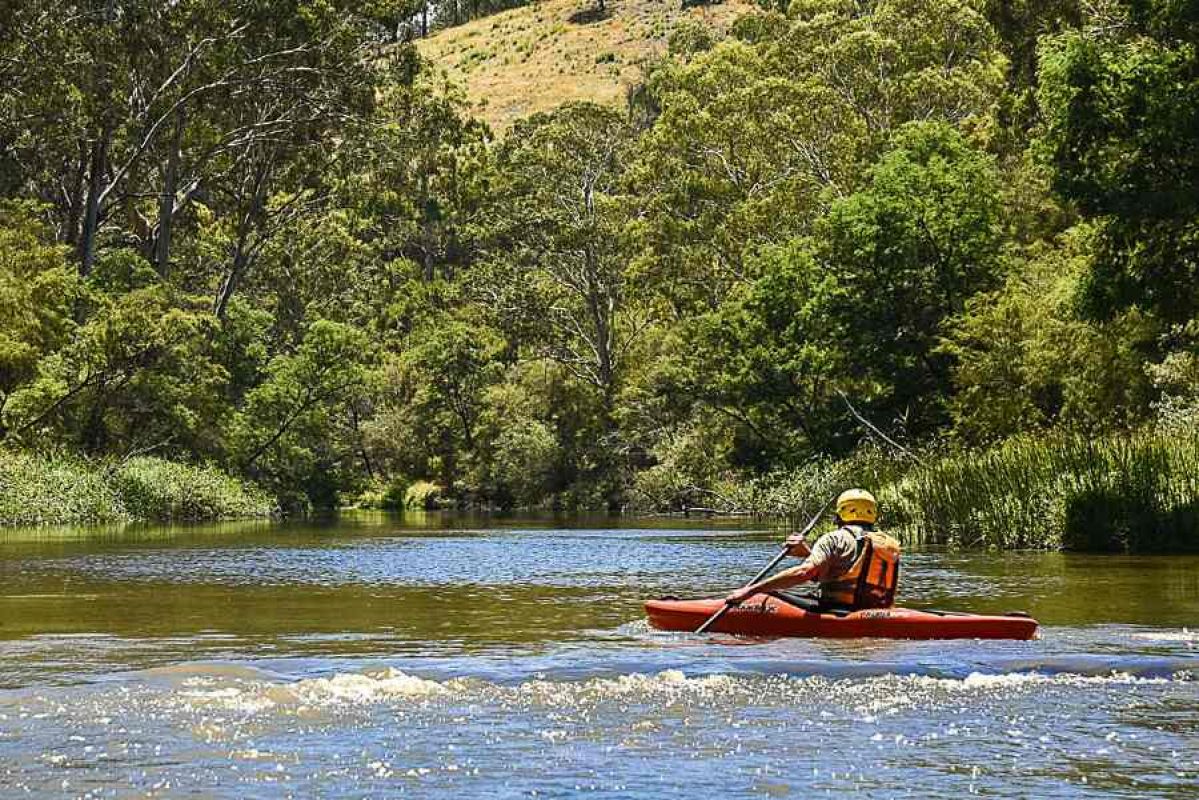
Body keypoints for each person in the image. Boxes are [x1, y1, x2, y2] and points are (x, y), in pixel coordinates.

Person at [724, 489, 900, 611]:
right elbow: (847, 569)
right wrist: (808, 552)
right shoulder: (889, 543)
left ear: (842, 512)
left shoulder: (834, 538)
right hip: (875, 610)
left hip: (836, 611)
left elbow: (805, 572)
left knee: (766, 594)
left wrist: (751, 590)